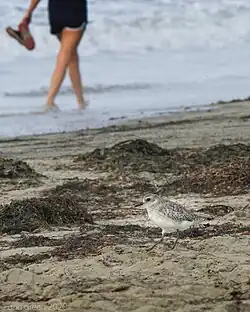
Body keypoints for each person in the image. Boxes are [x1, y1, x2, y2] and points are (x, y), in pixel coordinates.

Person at [20, 0, 88, 111]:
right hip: (74, 11)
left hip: (55, 12)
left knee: (72, 56)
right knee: (65, 55)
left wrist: (29, 12)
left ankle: (81, 101)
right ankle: (50, 101)